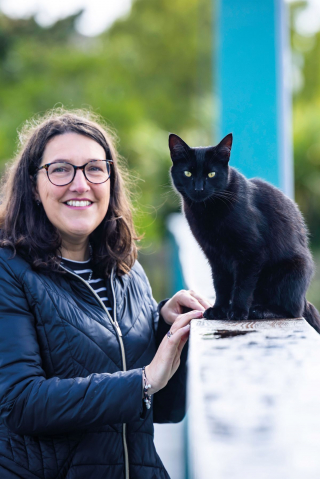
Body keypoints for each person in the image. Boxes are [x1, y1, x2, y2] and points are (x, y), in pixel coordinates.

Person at [0, 109, 211, 479]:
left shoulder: (127, 271)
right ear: (34, 186)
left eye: (95, 169)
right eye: (61, 169)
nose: (80, 184)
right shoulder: (8, 270)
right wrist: (143, 380)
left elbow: (164, 408)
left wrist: (167, 327)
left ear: (111, 181)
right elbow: (20, 403)